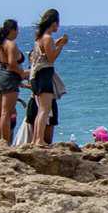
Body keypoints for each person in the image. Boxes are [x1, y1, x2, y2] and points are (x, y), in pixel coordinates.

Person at [30, 9, 68, 146]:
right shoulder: (47, 38)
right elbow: (51, 58)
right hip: (44, 75)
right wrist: (61, 46)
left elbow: (46, 52)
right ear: (54, 23)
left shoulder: (40, 38)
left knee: (41, 109)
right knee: (45, 109)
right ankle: (39, 139)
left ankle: (36, 139)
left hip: (36, 76)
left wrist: (57, 44)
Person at [0, 19, 27, 142]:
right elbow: (12, 64)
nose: (18, 32)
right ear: (13, 30)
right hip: (10, 79)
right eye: (17, 29)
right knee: (7, 113)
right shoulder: (11, 44)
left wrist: (2, 71)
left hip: (0, 77)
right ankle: (5, 141)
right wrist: (23, 73)